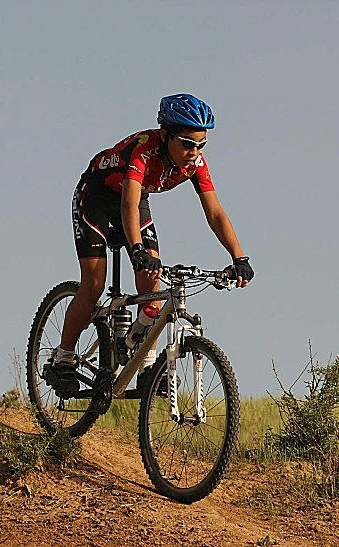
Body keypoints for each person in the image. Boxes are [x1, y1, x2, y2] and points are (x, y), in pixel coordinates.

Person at [46, 93, 254, 392]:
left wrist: (239, 257)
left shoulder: (195, 163)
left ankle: (146, 366)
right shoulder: (144, 150)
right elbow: (128, 204)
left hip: (134, 198)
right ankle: (63, 358)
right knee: (93, 284)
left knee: (153, 291)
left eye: (201, 145)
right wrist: (137, 250)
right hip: (97, 196)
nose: (194, 152)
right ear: (166, 135)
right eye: (187, 144)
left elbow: (215, 211)